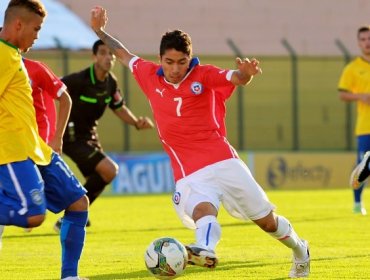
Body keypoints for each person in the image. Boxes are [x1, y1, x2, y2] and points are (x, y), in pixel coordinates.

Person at [90, 6, 310, 278]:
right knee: (202, 210)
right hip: (188, 171)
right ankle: (204, 248)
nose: (175, 68)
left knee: (267, 222)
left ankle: (300, 250)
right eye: (169, 62)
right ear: (160, 59)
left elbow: (235, 78)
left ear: (190, 58)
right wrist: (100, 31)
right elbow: (123, 54)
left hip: (223, 162)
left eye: (181, 62)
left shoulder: (204, 75)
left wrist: (246, 74)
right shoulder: (148, 73)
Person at [0, 1, 89, 279]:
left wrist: (53, 139)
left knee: (78, 203)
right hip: (12, 149)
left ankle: (69, 276)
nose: (38, 35)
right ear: (18, 25)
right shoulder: (2, 55)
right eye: (36, 29)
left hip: (36, 147)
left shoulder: (14, 55)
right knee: (33, 215)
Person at [53, 39, 154, 232]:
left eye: (112, 54)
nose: (108, 57)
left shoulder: (111, 83)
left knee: (98, 178)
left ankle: (75, 215)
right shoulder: (79, 80)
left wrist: (136, 123)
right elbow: (53, 86)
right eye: (103, 53)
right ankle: (71, 214)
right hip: (72, 137)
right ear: (94, 57)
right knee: (110, 170)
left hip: (90, 136)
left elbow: (118, 107)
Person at [338, 25, 370, 216]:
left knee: (364, 165)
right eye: (363, 40)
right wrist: (361, 97)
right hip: (365, 127)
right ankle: (358, 204)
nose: (367, 43)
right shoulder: (352, 68)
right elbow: (343, 94)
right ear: (359, 43)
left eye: (369, 38)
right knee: (361, 169)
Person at [23, 57, 72, 154]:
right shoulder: (7, 69)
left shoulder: (35, 68)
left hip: (42, 137)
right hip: (17, 139)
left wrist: (58, 138)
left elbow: (65, 99)